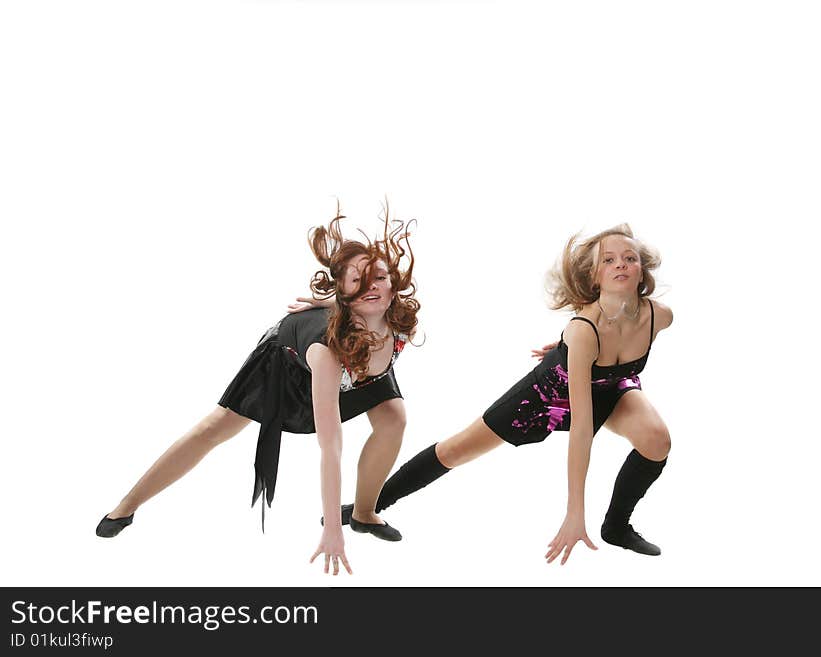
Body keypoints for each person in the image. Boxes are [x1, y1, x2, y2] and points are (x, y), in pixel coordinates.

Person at [95, 205, 420, 575]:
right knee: (214, 429)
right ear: (344, 294)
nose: (372, 286)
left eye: (378, 277)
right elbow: (331, 448)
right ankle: (127, 504)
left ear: (394, 281)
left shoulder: (399, 316)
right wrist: (331, 530)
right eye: (357, 282)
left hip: (361, 366)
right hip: (287, 364)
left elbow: (367, 298)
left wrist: (334, 300)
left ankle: (363, 514)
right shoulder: (326, 352)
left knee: (394, 417)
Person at [328, 224, 672, 562]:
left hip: (612, 389)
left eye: (629, 258)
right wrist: (574, 514)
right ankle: (368, 507)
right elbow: (582, 430)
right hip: (547, 394)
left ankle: (616, 527)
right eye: (608, 260)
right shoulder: (583, 330)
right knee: (456, 449)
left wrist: (569, 347)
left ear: (642, 271)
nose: (621, 264)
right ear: (594, 276)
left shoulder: (660, 316)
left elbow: (614, 328)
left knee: (657, 440)